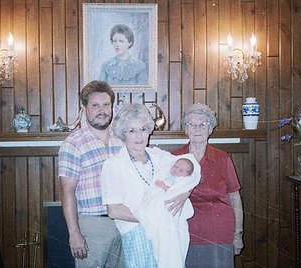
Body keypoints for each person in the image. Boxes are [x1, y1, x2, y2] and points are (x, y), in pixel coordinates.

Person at [101, 103, 192, 268]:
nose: (139, 136)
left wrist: (185, 193)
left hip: (168, 233)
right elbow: (114, 210)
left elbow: (193, 171)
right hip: (137, 232)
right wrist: (154, 218)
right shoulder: (114, 164)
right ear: (123, 134)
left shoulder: (159, 156)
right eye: (132, 131)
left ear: (149, 130)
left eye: (143, 129)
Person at [58, 80, 125, 268]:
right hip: (92, 226)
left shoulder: (123, 139)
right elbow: (67, 191)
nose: (102, 110)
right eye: (95, 105)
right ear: (84, 108)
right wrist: (74, 233)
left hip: (124, 223)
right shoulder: (73, 144)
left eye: (106, 105)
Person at [173, 103, 244, 268]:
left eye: (203, 124)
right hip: (184, 234)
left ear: (210, 129)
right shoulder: (174, 158)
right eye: (192, 124)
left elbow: (235, 199)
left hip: (218, 234)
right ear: (186, 129)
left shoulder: (222, 158)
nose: (197, 129)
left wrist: (238, 234)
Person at [135, 154, 201, 268]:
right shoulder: (166, 174)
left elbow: (177, 190)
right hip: (157, 202)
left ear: (187, 175)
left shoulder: (183, 180)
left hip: (171, 209)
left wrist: (165, 187)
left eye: (181, 170)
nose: (176, 170)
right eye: (175, 166)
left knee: (171, 242)